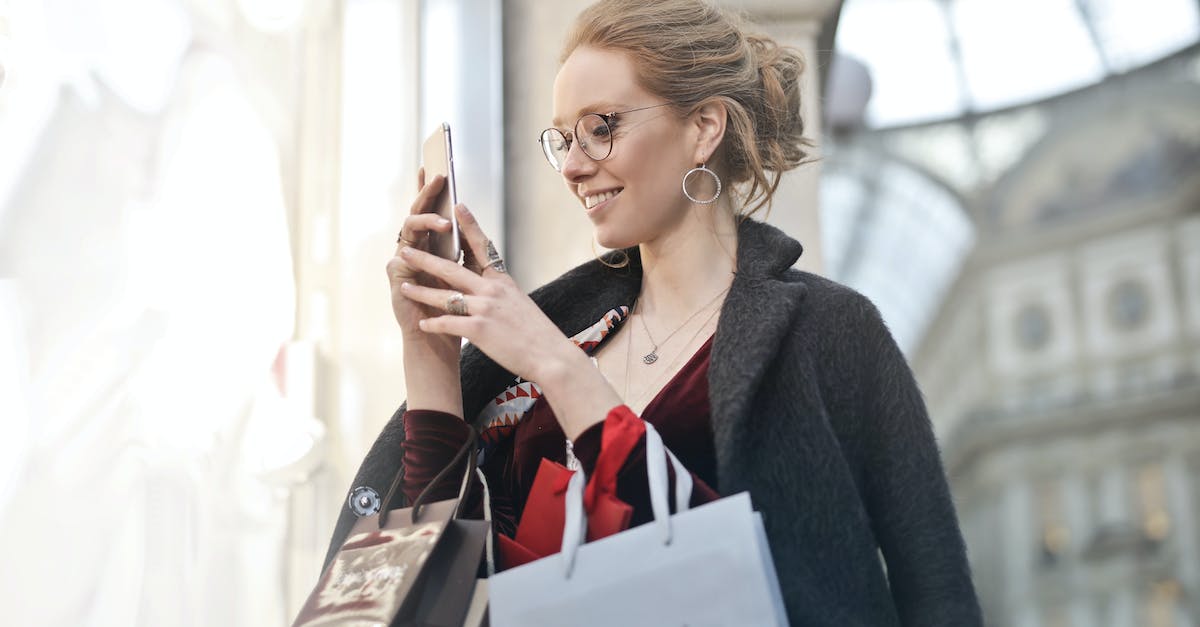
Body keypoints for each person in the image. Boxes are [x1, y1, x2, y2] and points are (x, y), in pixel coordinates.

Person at [323, 0, 982, 624]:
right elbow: (438, 585)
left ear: (703, 128)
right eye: (562, 139)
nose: (573, 166)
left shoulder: (833, 331)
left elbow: (937, 594)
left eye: (601, 128)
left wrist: (554, 363)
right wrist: (430, 355)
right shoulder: (563, 334)